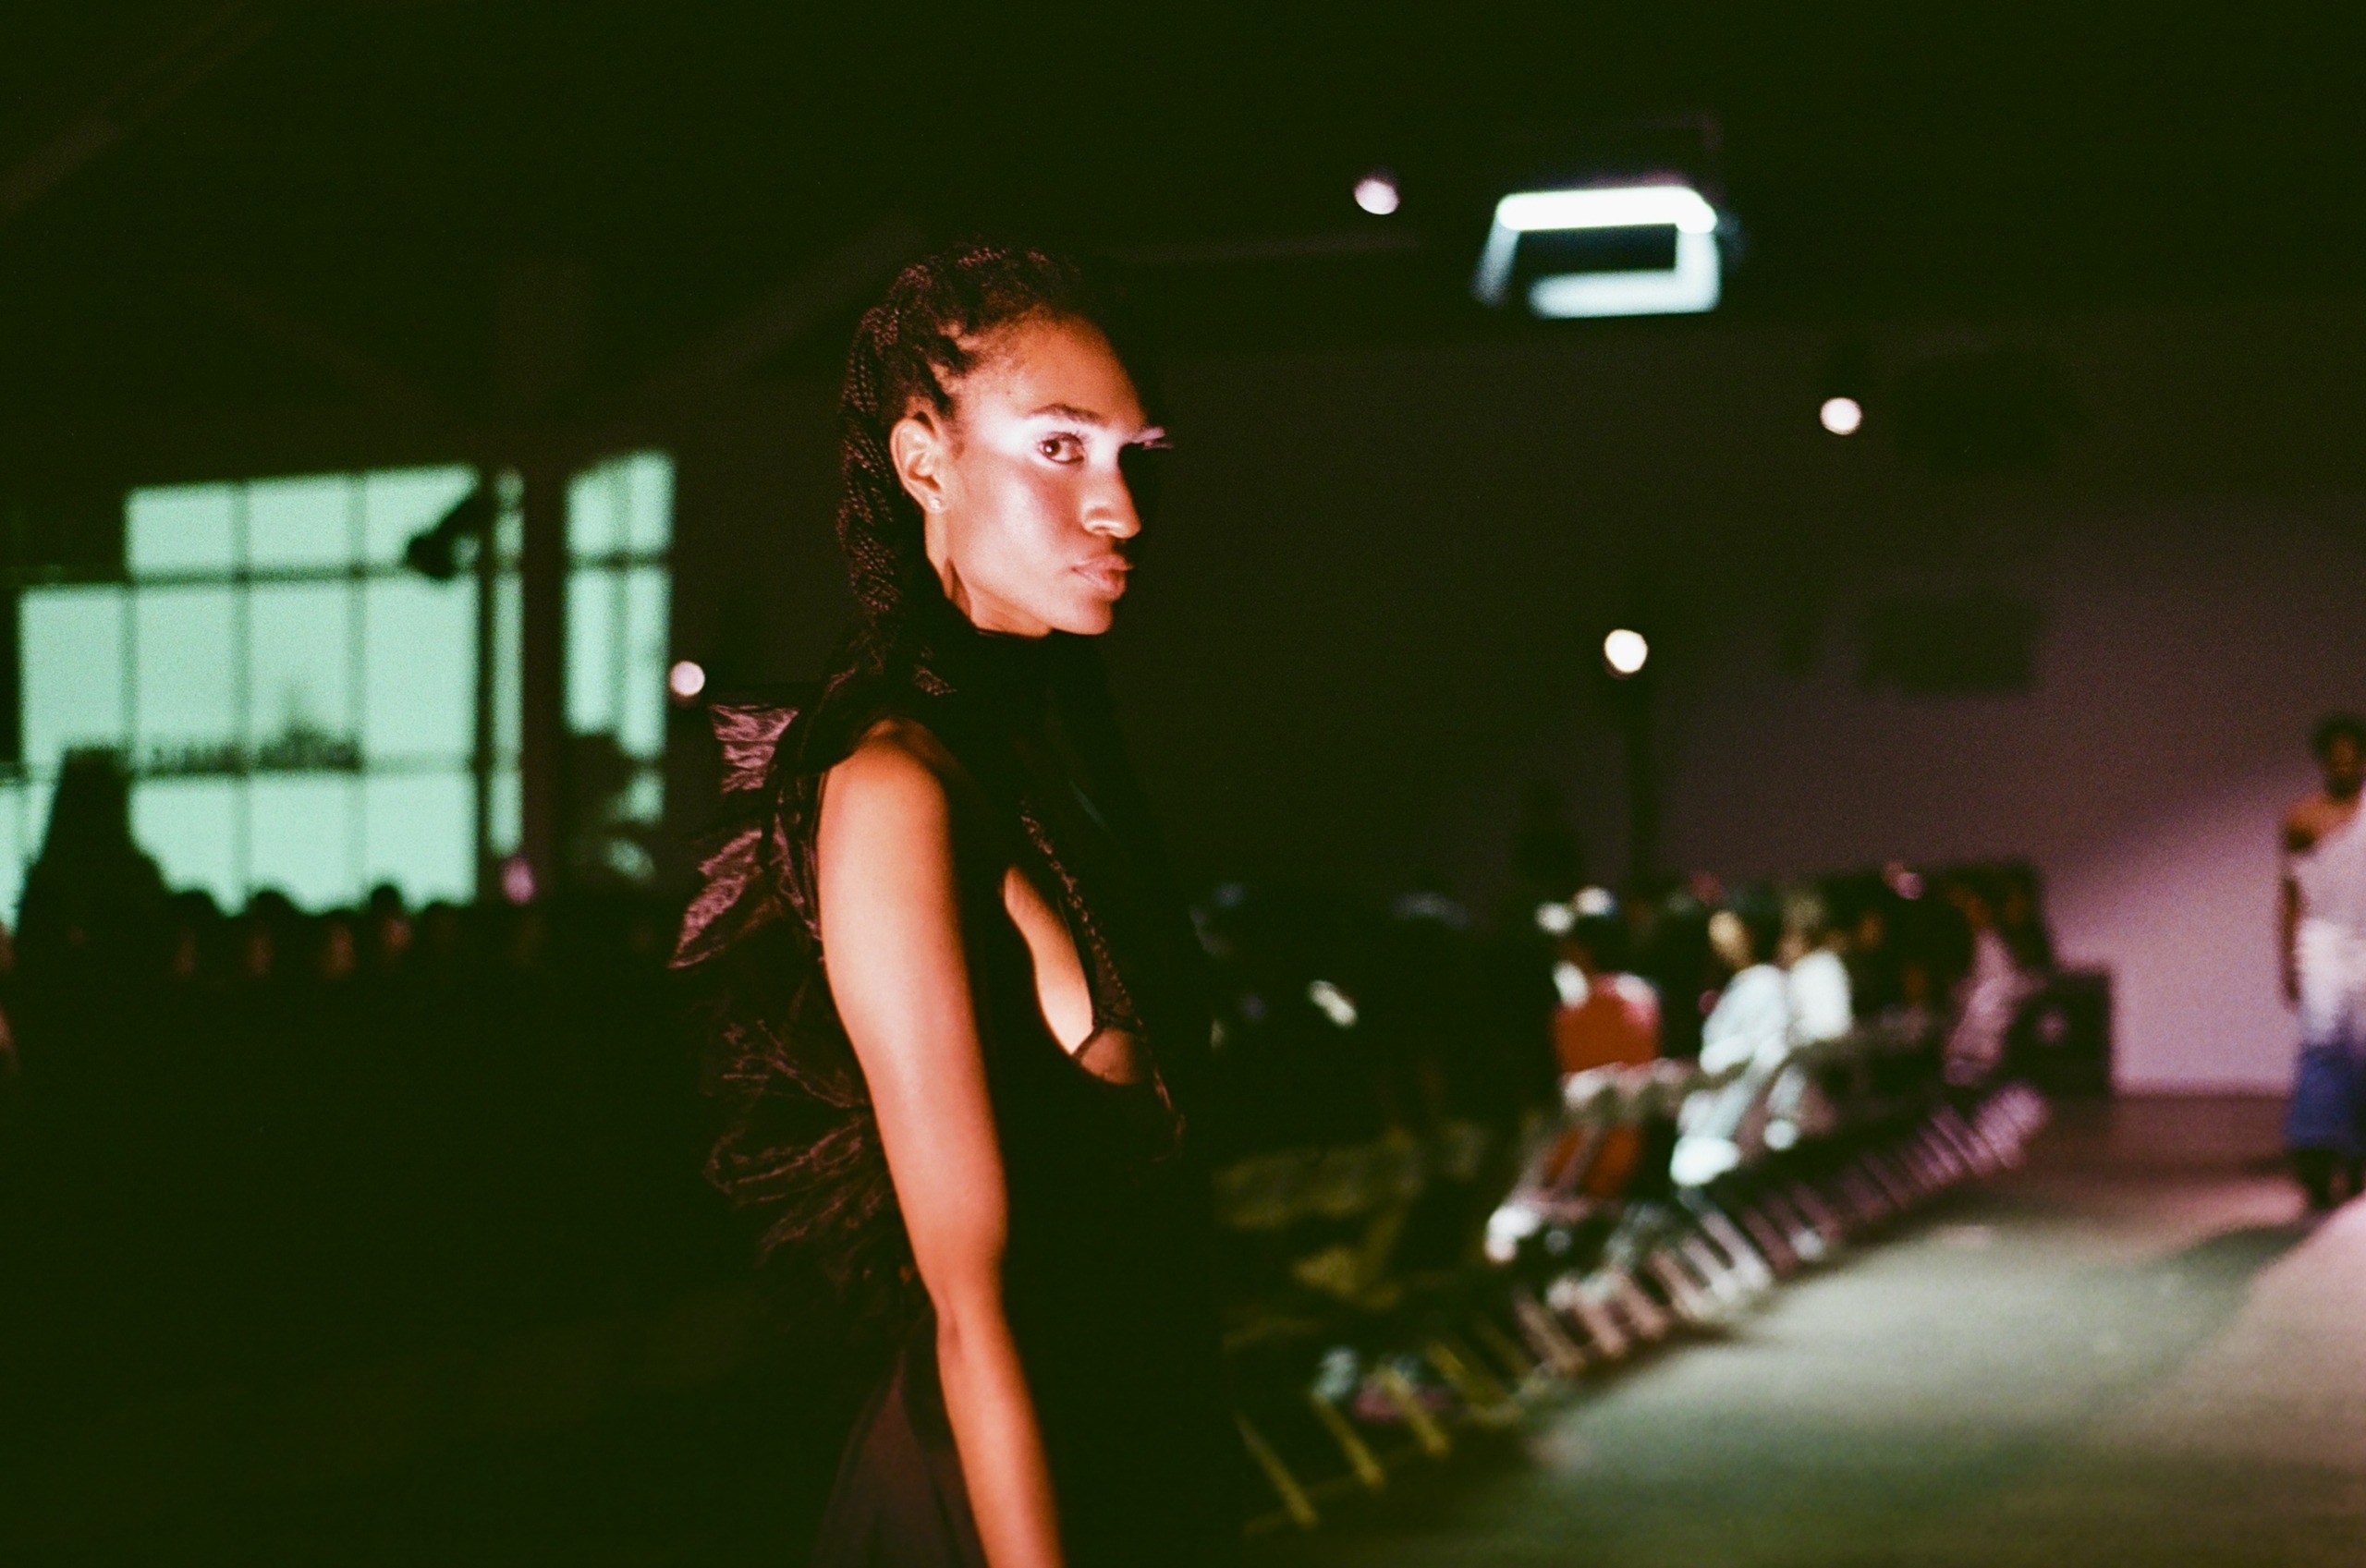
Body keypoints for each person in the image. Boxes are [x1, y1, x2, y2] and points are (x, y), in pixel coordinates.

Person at [674, 244, 1234, 1566]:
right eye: (1061, 448)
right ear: (924, 462)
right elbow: (973, 1305)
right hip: (992, 1502)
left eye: (1135, 456)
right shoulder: (896, 789)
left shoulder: (1044, 767)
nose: (1121, 508)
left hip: (1135, 1454)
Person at [2281, 712, 2366, 1208]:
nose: (2345, 765)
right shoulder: (2303, 818)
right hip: (2321, 940)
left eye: (2353, 757)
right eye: (2337, 758)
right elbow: (2290, 893)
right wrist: (2287, 958)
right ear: (2323, 761)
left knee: (2361, 1051)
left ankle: (2354, 1154)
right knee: (2319, 1045)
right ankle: (2314, 1155)